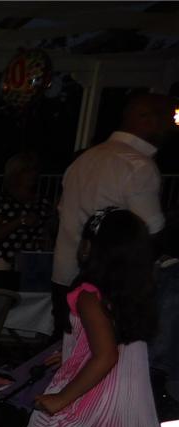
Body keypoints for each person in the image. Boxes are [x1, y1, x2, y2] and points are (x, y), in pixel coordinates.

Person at [18, 208, 173, 427]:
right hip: (125, 390)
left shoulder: (88, 295)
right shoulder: (129, 292)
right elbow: (110, 340)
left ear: (92, 248)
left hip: (101, 387)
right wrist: (71, 353)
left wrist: (62, 398)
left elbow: (105, 355)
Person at [51, 93, 175, 335]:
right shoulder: (137, 165)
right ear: (145, 118)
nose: (171, 126)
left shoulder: (85, 159)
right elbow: (151, 232)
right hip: (108, 285)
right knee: (107, 352)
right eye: (169, 118)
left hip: (66, 275)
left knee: (67, 349)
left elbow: (62, 214)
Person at [0, 152, 52, 267]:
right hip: (4, 262)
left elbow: (48, 232)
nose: (32, 174)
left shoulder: (43, 202)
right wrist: (20, 221)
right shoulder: (1, 201)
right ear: (15, 174)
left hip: (33, 263)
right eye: (26, 171)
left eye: (34, 170)